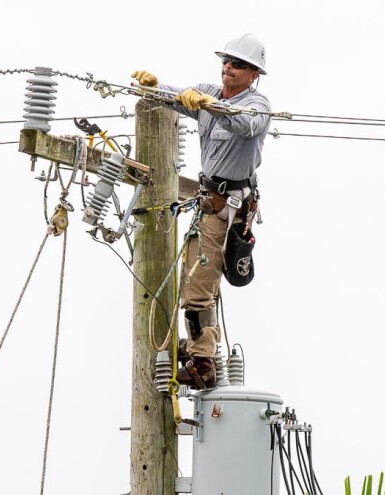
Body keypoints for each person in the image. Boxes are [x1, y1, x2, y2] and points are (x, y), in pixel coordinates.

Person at [131, 33, 271, 390]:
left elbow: (246, 124)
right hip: (207, 202)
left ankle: (203, 363)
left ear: (254, 73)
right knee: (195, 282)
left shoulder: (258, 105)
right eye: (226, 61)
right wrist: (154, 87)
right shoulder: (207, 91)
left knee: (196, 288)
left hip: (229, 208)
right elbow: (178, 98)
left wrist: (210, 106)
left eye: (238, 64)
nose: (229, 68)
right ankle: (200, 348)